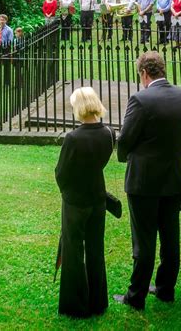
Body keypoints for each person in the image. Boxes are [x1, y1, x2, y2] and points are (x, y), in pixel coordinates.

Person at [114, 51, 181, 309]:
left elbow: (125, 140)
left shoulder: (140, 99)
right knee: (170, 237)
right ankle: (166, 289)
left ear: (144, 73)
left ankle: (136, 297)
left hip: (144, 180)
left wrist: (123, 155)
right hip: (172, 177)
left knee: (144, 240)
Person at [55, 87, 114, 318]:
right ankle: (98, 301)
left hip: (76, 200)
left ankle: (76, 304)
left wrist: (67, 191)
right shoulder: (108, 133)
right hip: (97, 197)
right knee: (95, 249)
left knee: (73, 250)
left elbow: (61, 172)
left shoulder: (73, 138)